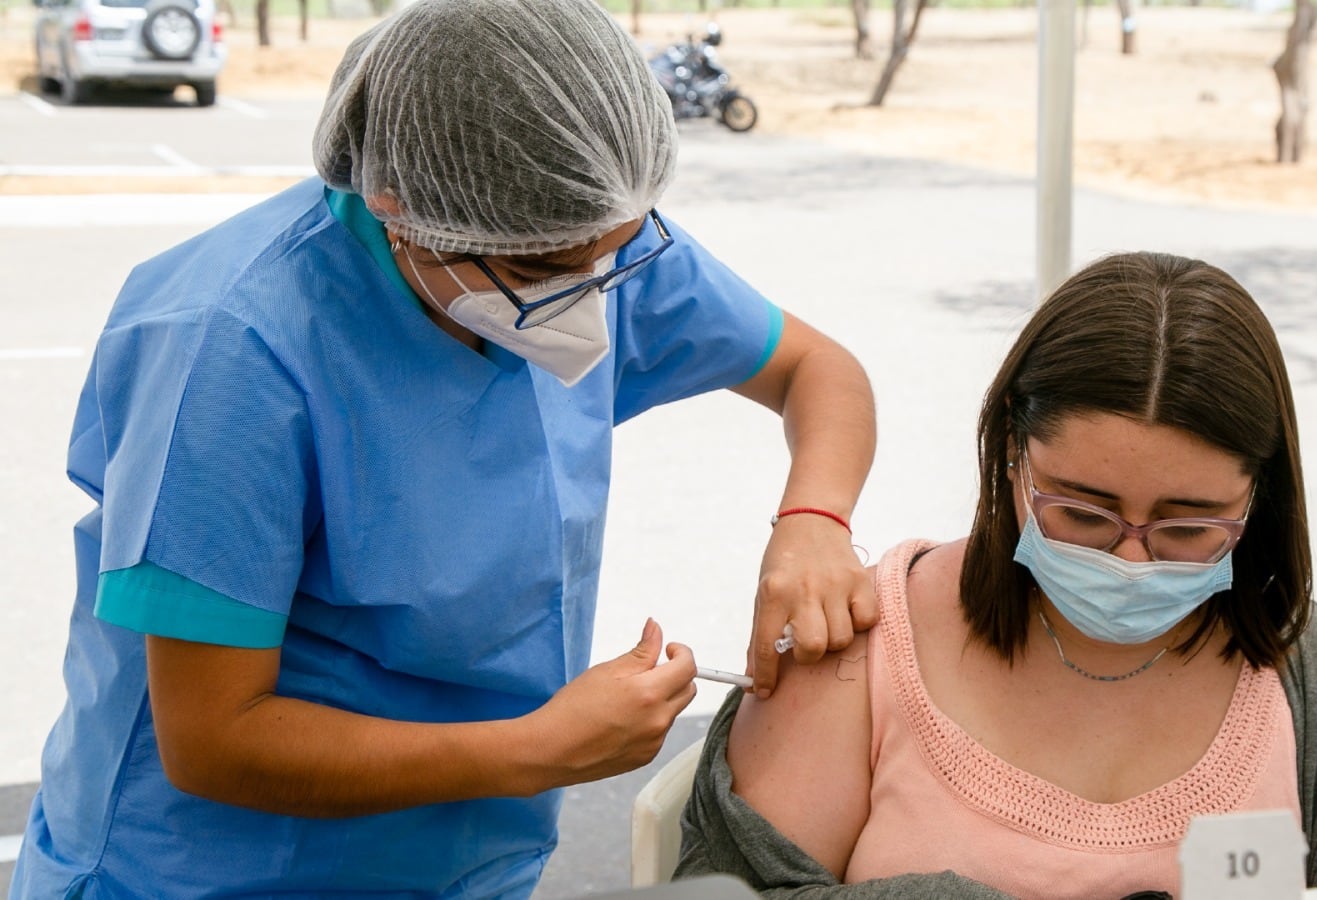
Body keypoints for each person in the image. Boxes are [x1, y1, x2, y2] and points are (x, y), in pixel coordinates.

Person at [11, 0, 877, 896]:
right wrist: (536, 749)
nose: (591, 299)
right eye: (546, 274)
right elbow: (213, 741)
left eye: (613, 255)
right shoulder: (235, 350)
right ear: (400, 212)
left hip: (468, 857)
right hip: (217, 869)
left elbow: (820, 371)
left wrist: (813, 521)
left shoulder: (582, 230)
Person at [677, 252, 1317, 899]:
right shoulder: (850, 650)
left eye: (1187, 526)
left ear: (1259, 497)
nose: (1129, 560)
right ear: (1011, 450)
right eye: (1085, 513)